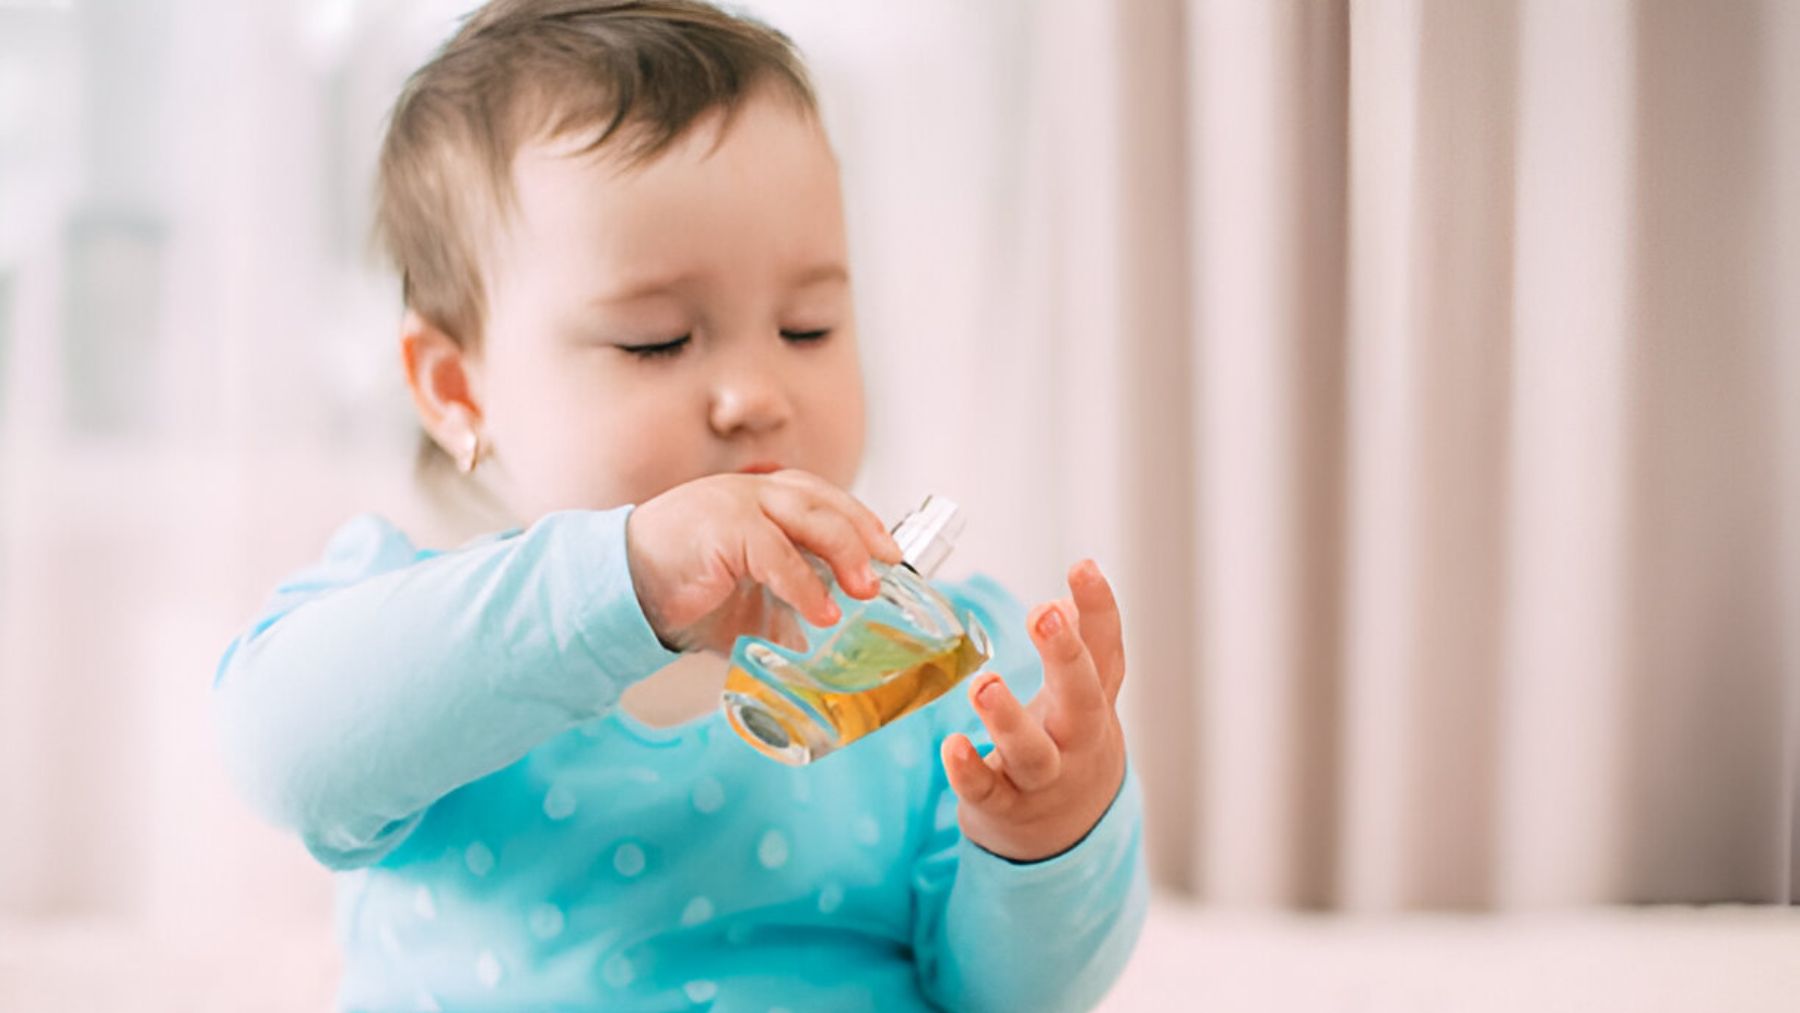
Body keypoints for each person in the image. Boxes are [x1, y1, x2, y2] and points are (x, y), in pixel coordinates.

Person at [213, 2, 1146, 1009]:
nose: (756, 393)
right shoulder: (422, 623)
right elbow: (286, 759)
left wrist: (1046, 840)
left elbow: (1010, 995)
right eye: (656, 340)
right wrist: (631, 577)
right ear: (457, 388)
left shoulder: (933, 664)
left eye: (807, 326)